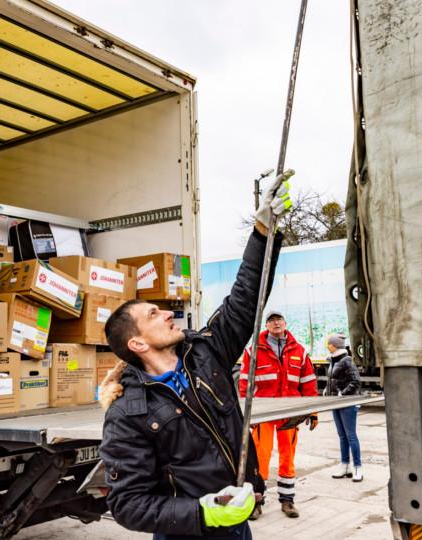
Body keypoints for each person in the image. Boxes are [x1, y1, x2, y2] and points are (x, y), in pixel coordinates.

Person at [96, 172, 294, 539]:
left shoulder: (205, 351)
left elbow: (244, 300)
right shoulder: (127, 412)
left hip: (237, 525)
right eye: (153, 315)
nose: (169, 313)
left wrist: (263, 232)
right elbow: (128, 503)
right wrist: (204, 513)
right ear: (137, 344)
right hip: (187, 532)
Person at [238, 313, 317, 519]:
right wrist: (246, 414)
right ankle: (256, 502)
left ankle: (287, 501)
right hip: (263, 412)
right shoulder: (253, 350)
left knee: (287, 457)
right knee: (259, 459)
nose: (275, 323)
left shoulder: (299, 351)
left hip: (290, 413)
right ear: (266, 325)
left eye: (278, 320)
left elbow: (308, 382)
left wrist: (312, 410)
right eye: (271, 320)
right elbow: (245, 384)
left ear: (284, 324)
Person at [326, 331, 363, 482]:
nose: (328, 346)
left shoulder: (347, 360)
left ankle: (357, 468)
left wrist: (343, 394)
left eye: (330, 344)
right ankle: (345, 466)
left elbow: (356, 382)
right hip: (336, 402)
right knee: (342, 436)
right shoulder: (333, 360)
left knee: (351, 436)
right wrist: (329, 392)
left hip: (347, 403)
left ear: (337, 345)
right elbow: (334, 380)